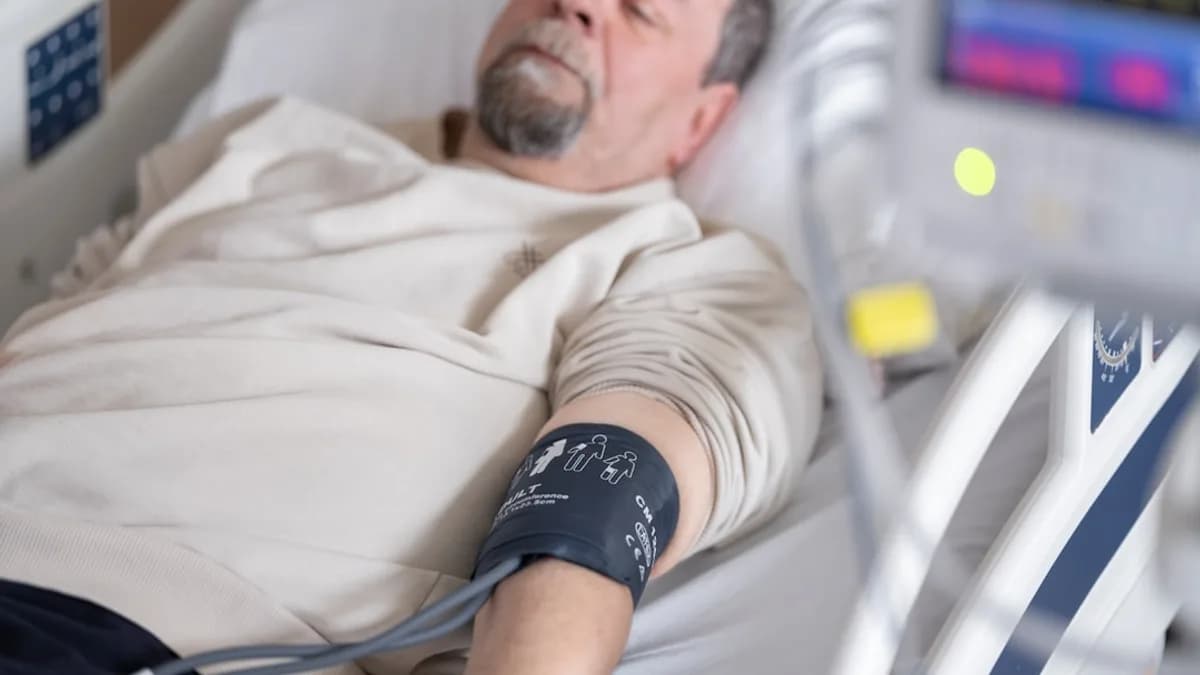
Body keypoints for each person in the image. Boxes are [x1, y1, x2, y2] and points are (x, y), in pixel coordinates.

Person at [0, 1, 822, 673]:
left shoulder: (683, 263)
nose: (577, 5)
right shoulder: (257, 140)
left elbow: (593, 518)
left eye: (638, 11)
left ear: (702, 119)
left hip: (152, 629)